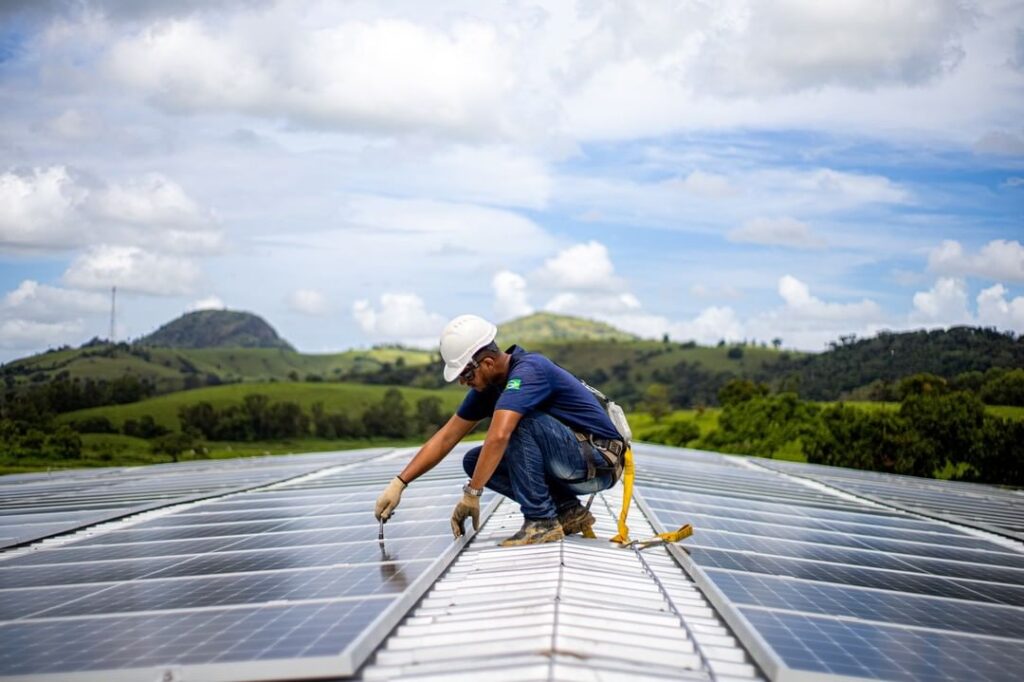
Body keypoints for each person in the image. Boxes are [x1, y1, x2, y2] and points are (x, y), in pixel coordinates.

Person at [374, 314, 625, 546]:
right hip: (573, 463)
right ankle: (567, 510)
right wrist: (400, 482)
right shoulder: (488, 388)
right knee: (475, 461)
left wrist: (472, 494)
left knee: (515, 422)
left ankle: (541, 521)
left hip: (599, 463)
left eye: (466, 374)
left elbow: (500, 435)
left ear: (487, 363)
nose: (463, 382)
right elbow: (446, 438)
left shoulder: (529, 371)